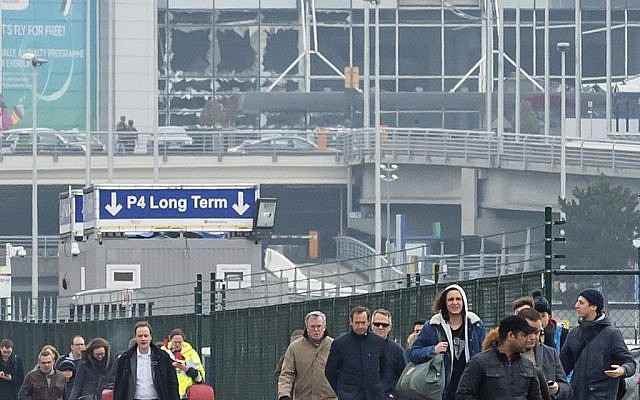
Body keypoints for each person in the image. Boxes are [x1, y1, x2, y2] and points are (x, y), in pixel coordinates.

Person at [409, 284, 485, 400]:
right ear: (444, 303)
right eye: (450, 299)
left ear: (463, 301)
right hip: (441, 389)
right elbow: (413, 353)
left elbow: (484, 352)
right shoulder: (433, 326)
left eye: (458, 299)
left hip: (470, 387)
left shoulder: (475, 325)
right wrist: (433, 350)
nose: (455, 303)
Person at [560, 289, 636, 400]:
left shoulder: (612, 334)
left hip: (602, 395)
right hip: (576, 394)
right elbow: (561, 367)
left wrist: (623, 370)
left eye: (581, 303)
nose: (576, 305)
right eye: (577, 302)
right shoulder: (574, 333)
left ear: (594, 307)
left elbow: (630, 362)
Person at [456, 315, 543, 400]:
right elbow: (463, 395)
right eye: (523, 336)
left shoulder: (528, 366)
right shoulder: (479, 363)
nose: (527, 340)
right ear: (511, 335)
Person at [325, 306, 390, 400]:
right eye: (357, 323)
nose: (360, 326)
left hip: (374, 396)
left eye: (363, 323)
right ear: (351, 322)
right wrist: (342, 391)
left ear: (368, 323)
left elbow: (386, 369)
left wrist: (380, 389)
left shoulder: (379, 343)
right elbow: (330, 371)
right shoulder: (340, 343)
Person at [277, 311, 336, 400]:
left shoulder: (335, 346)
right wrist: (284, 395)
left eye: (319, 326)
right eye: (312, 326)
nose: (316, 330)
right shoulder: (294, 348)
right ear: (307, 328)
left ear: (324, 327)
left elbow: (345, 372)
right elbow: (287, 374)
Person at [113, 321, 179, 400]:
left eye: (146, 335)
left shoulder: (163, 357)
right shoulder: (125, 359)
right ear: (135, 338)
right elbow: (119, 386)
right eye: (140, 336)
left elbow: (172, 383)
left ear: (150, 337)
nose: (143, 338)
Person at [517, 308, 572, 400]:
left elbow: (567, 389)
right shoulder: (507, 353)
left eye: (536, 332)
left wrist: (557, 388)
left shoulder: (550, 353)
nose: (533, 337)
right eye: (528, 332)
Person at [370, 309, 406, 398]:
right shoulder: (360, 347)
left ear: (390, 327)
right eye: (377, 324)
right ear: (371, 325)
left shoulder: (397, 351)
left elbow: (403, 378)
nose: (380, 327)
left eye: (385, 325)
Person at [161, 329, 205, 399]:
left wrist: (185, 369)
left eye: (180, 342)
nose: (177, 344)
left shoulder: (191, 354)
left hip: (185, 395)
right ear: (170, 340)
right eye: (175, 342)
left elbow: (199, 378)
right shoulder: (163, 352)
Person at [56, 336, 85, 400]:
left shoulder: (87, 362)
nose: (80, 347)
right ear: (72, 347)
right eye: (77, 345)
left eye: (82, 344)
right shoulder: (62, 360)